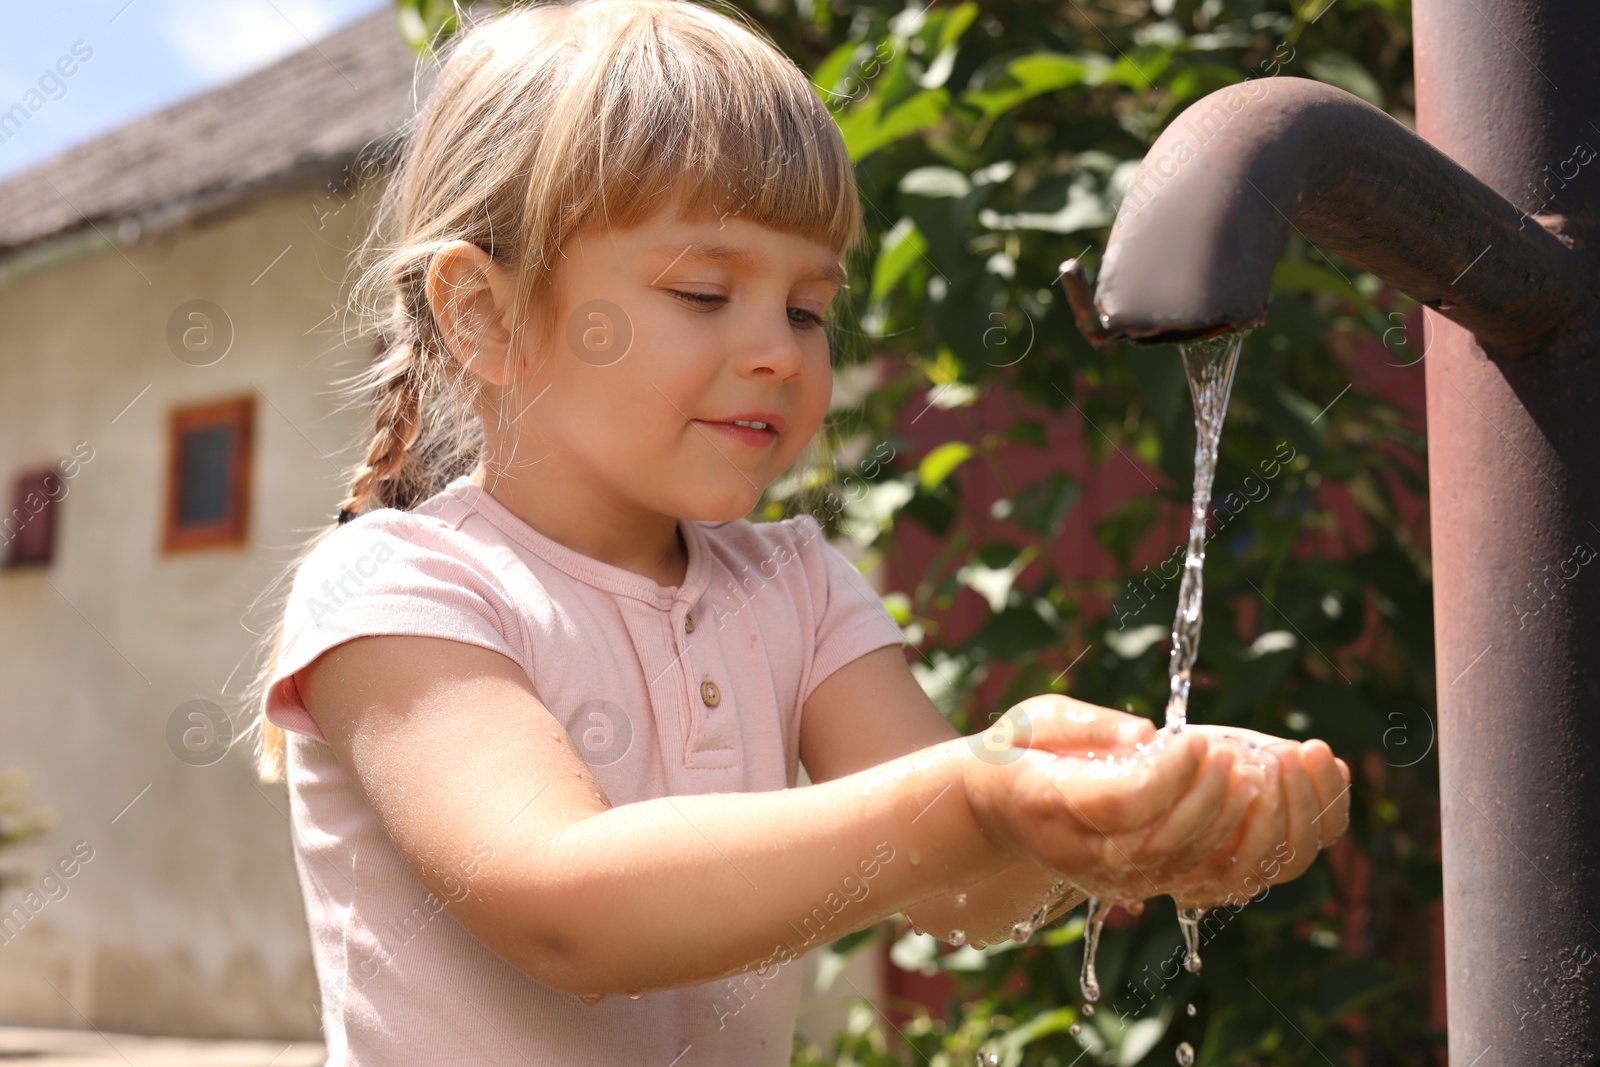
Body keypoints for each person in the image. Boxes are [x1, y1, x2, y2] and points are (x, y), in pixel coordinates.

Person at [239, 2, 1351, 1063]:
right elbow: (566, 906)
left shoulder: (794, 586)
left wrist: (1113, 815)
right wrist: (977, 791)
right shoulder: (399, 589)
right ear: (483, 313)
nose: (778, 349)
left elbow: (962, 891)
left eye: (808, 308)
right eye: (705, 292)